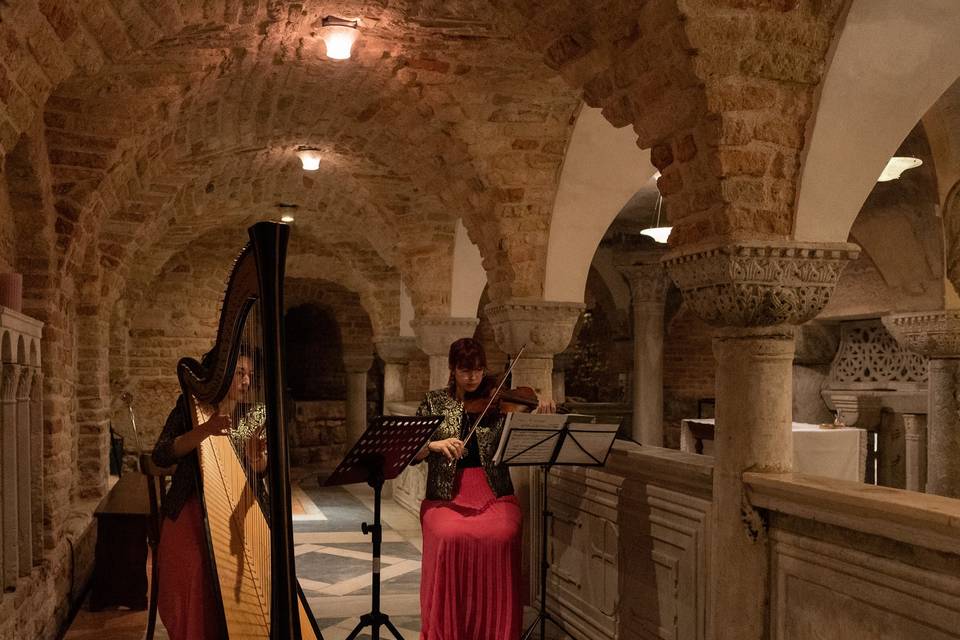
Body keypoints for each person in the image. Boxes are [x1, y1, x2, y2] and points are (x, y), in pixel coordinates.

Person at [414, 337, 551, 640]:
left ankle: (496, 630)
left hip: (494, 491)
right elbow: (412, 451)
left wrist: (541, 413)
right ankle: (450, 629)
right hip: (447, 495)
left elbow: (527, 438)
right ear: (453, 369)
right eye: (465, 371)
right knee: (449, 536)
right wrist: (434, 445)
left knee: (502, 533)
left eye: (478, 370)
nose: (473, 377)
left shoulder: (499, 401)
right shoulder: (434, 402)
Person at [151, 349, 264, 640]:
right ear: (221, 374)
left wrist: (257, 461)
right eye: (240, 372)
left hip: (232, 517)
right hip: (187, 507)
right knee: (195, 568)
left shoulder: (250, 417)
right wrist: (205, 430)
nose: (247, 380)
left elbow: (256, 475)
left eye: (250, 374)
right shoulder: (189, 408)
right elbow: (162, 454)